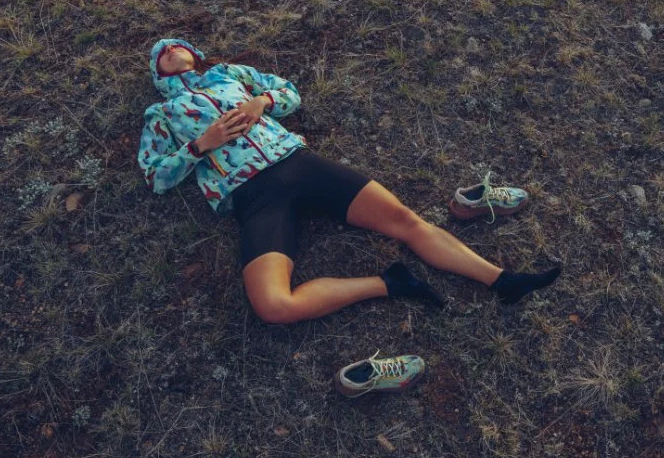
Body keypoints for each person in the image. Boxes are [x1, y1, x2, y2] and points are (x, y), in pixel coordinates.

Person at [137, 38, 561, 324]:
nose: (169, 48)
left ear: (195, 54)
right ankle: (391, 283)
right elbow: (156, 177)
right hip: (253, 196)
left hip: (298, 164)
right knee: (272, 306)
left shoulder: (229, 75)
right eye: (160, 52)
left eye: (177, 43)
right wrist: (200, 145)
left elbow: (288, 92)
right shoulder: (160, 115)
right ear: (157, 73)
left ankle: (503, 281)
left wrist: (261, 101)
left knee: (407, 221)